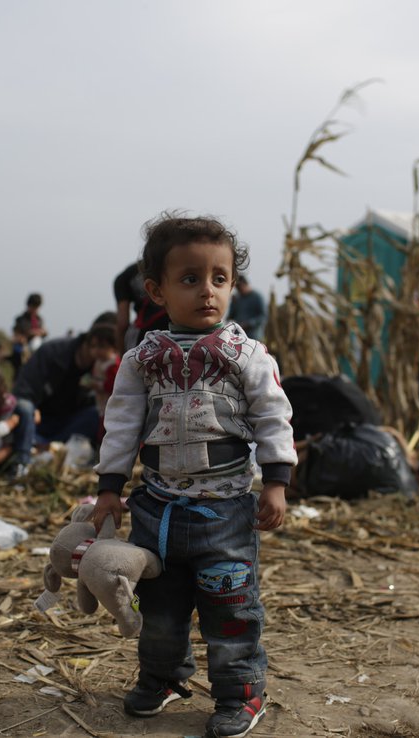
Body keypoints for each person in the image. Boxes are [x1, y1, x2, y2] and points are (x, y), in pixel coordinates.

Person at [92, 214, 296, 738]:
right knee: (160, 608)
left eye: (219, 278)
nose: (208, 291)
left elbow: (274, 416)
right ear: (157, 289)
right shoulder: (142, 361)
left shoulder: (246, 356)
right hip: (155, 508)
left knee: (230, 607)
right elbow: (120, 425)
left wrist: (275, 480)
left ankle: (241, 694)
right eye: (190, 279)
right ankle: (162, 677)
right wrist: (109, 489)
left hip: (225, 511)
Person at [12, 323, 117, 445]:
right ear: (91, 340)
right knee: (25, 409)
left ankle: (49, 446)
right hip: (39, 418)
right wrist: (31, 408)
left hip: (67, 422)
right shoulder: (53, 351)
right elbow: (24, 391)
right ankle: (31, 447)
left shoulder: (104, 366)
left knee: (97, 416)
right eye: (98, 346)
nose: (101, 353)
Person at [114, 261, 170, 351]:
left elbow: (122, 323)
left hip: (145, 328)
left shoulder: (122, 278)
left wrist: (122, 357)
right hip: (174, 318)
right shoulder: (168, 262)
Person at [227, 275, 267, 341]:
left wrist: (249, 324)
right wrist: (232, 303)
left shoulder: (257, 297)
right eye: (237, 288)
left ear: (245, 284)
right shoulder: (237, 298)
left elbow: (263, 316)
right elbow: (230, 317)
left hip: (254, 337)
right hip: (239, 337)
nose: (238, 290)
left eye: (239, 287)